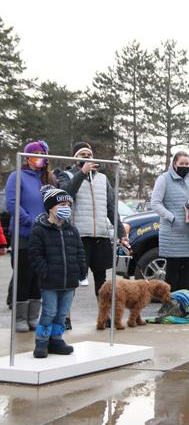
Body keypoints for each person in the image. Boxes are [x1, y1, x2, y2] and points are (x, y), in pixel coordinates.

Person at [58, 142, 128, 297]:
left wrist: (121, 232)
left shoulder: (102, 178)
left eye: (89, 155)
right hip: (78, 235)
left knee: (101, 281)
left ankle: (104, 317)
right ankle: (66, 318)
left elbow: (111, 207)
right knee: (72, 279)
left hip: (100, 235)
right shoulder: (66, 175)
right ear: (75, 158)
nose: (88, 157)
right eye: (83, 155)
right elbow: (65, 195)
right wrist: (82, 173)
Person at [28, 186, 87, 358]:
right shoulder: (40, 230)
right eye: (62, 205)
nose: (66, 208)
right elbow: (35, 255)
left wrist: (81, 269)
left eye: (69, 204)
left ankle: (56, 339)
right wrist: (45, 272)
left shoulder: (72, 230)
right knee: (49, 312)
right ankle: (41, 342)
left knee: (62, 314)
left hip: (69, 281)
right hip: (50, 282)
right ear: (51, 207)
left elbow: (80, 252)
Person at [4, 140, 55, 332]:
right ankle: (19, 317)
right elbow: (12, 203)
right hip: (25, 233)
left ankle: (34, 315)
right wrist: (30, 221)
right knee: (23, 275)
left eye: (43, 154)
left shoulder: (47, 178)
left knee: (38, 275)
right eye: (37, 154)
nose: (40, 158)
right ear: (27, 157)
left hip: (44, 234)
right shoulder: (17, 176)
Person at [150, 152, 189, 292]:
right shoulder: (164, 179)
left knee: (187, 276)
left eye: (187, 164)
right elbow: (155, 203)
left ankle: (184, 308)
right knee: (173, 275)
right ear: (174, 164)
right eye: (181, 164)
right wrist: (171, 217)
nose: (184, 166)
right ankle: (169, 305)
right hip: (172, 235)